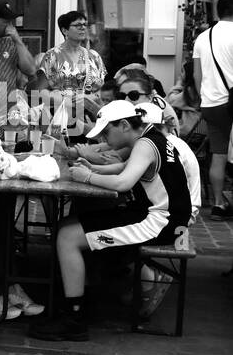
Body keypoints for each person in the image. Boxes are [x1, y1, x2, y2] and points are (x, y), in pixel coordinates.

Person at [31, 100, 192, 342]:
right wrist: (91, 167)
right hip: (163, 217)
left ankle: (74, 319)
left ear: (125, 125)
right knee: (68, 225)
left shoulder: (146, 144)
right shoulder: (151, 138)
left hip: (159, 222)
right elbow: (125, 167)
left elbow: (123, 182)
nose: (104, 138)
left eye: (107, 131)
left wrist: (88, 177)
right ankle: (78, 298)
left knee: (67, 237)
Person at [190, 0, 233, 219]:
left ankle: (218, 204)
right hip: (231, 101)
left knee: (219, 153)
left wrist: (202, 97)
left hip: (212, 103)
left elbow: (197, 74)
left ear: (218, 12)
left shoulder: (203, 38)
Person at [32, 10, 106, 136]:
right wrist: (64, 100)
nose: (83, 27)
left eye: (84, 24)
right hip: (62, 117)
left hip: (92, 117)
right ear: (65, 30)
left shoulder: (94, 56)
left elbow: (103, 91)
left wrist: (90, 99)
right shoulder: (53, 56)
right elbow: (39, 91)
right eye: (77, 25)